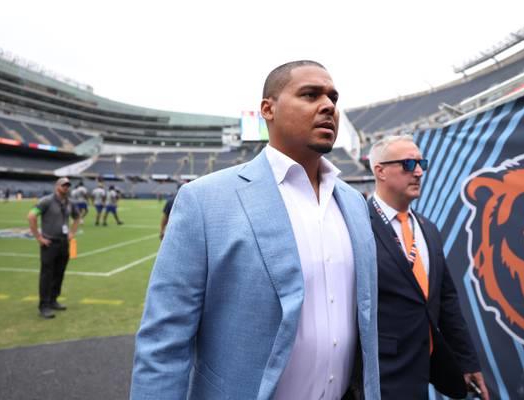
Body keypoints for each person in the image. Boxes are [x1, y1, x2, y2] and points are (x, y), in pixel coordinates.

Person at [131, 61, 380, 400]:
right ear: (268, 108)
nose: (328, 106)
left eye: (333, 98)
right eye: (310, 95)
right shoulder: (204, 200)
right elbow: (165, 340)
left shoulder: (353, 203)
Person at [367, 135, 488, 399]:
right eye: (408, 164)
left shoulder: (428, 229)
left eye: (422, 163)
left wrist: (466, 361)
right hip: (379, 374)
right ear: (380, 171)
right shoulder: (358, 225)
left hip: (424, 369)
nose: (419, 172)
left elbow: (446, 300)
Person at [27, 177, 80, 319]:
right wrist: (39, 237)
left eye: (68, 186)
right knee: (47, 275)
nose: (66, 188)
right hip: (49, 243)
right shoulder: (46, 201)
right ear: (57, 186)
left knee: (59, 273)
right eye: (63, 185)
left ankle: (53, 299)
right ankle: (43, 305)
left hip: (63, 243)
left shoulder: (69, 203)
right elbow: (31, 216)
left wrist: (72, 232)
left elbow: (77, 217)